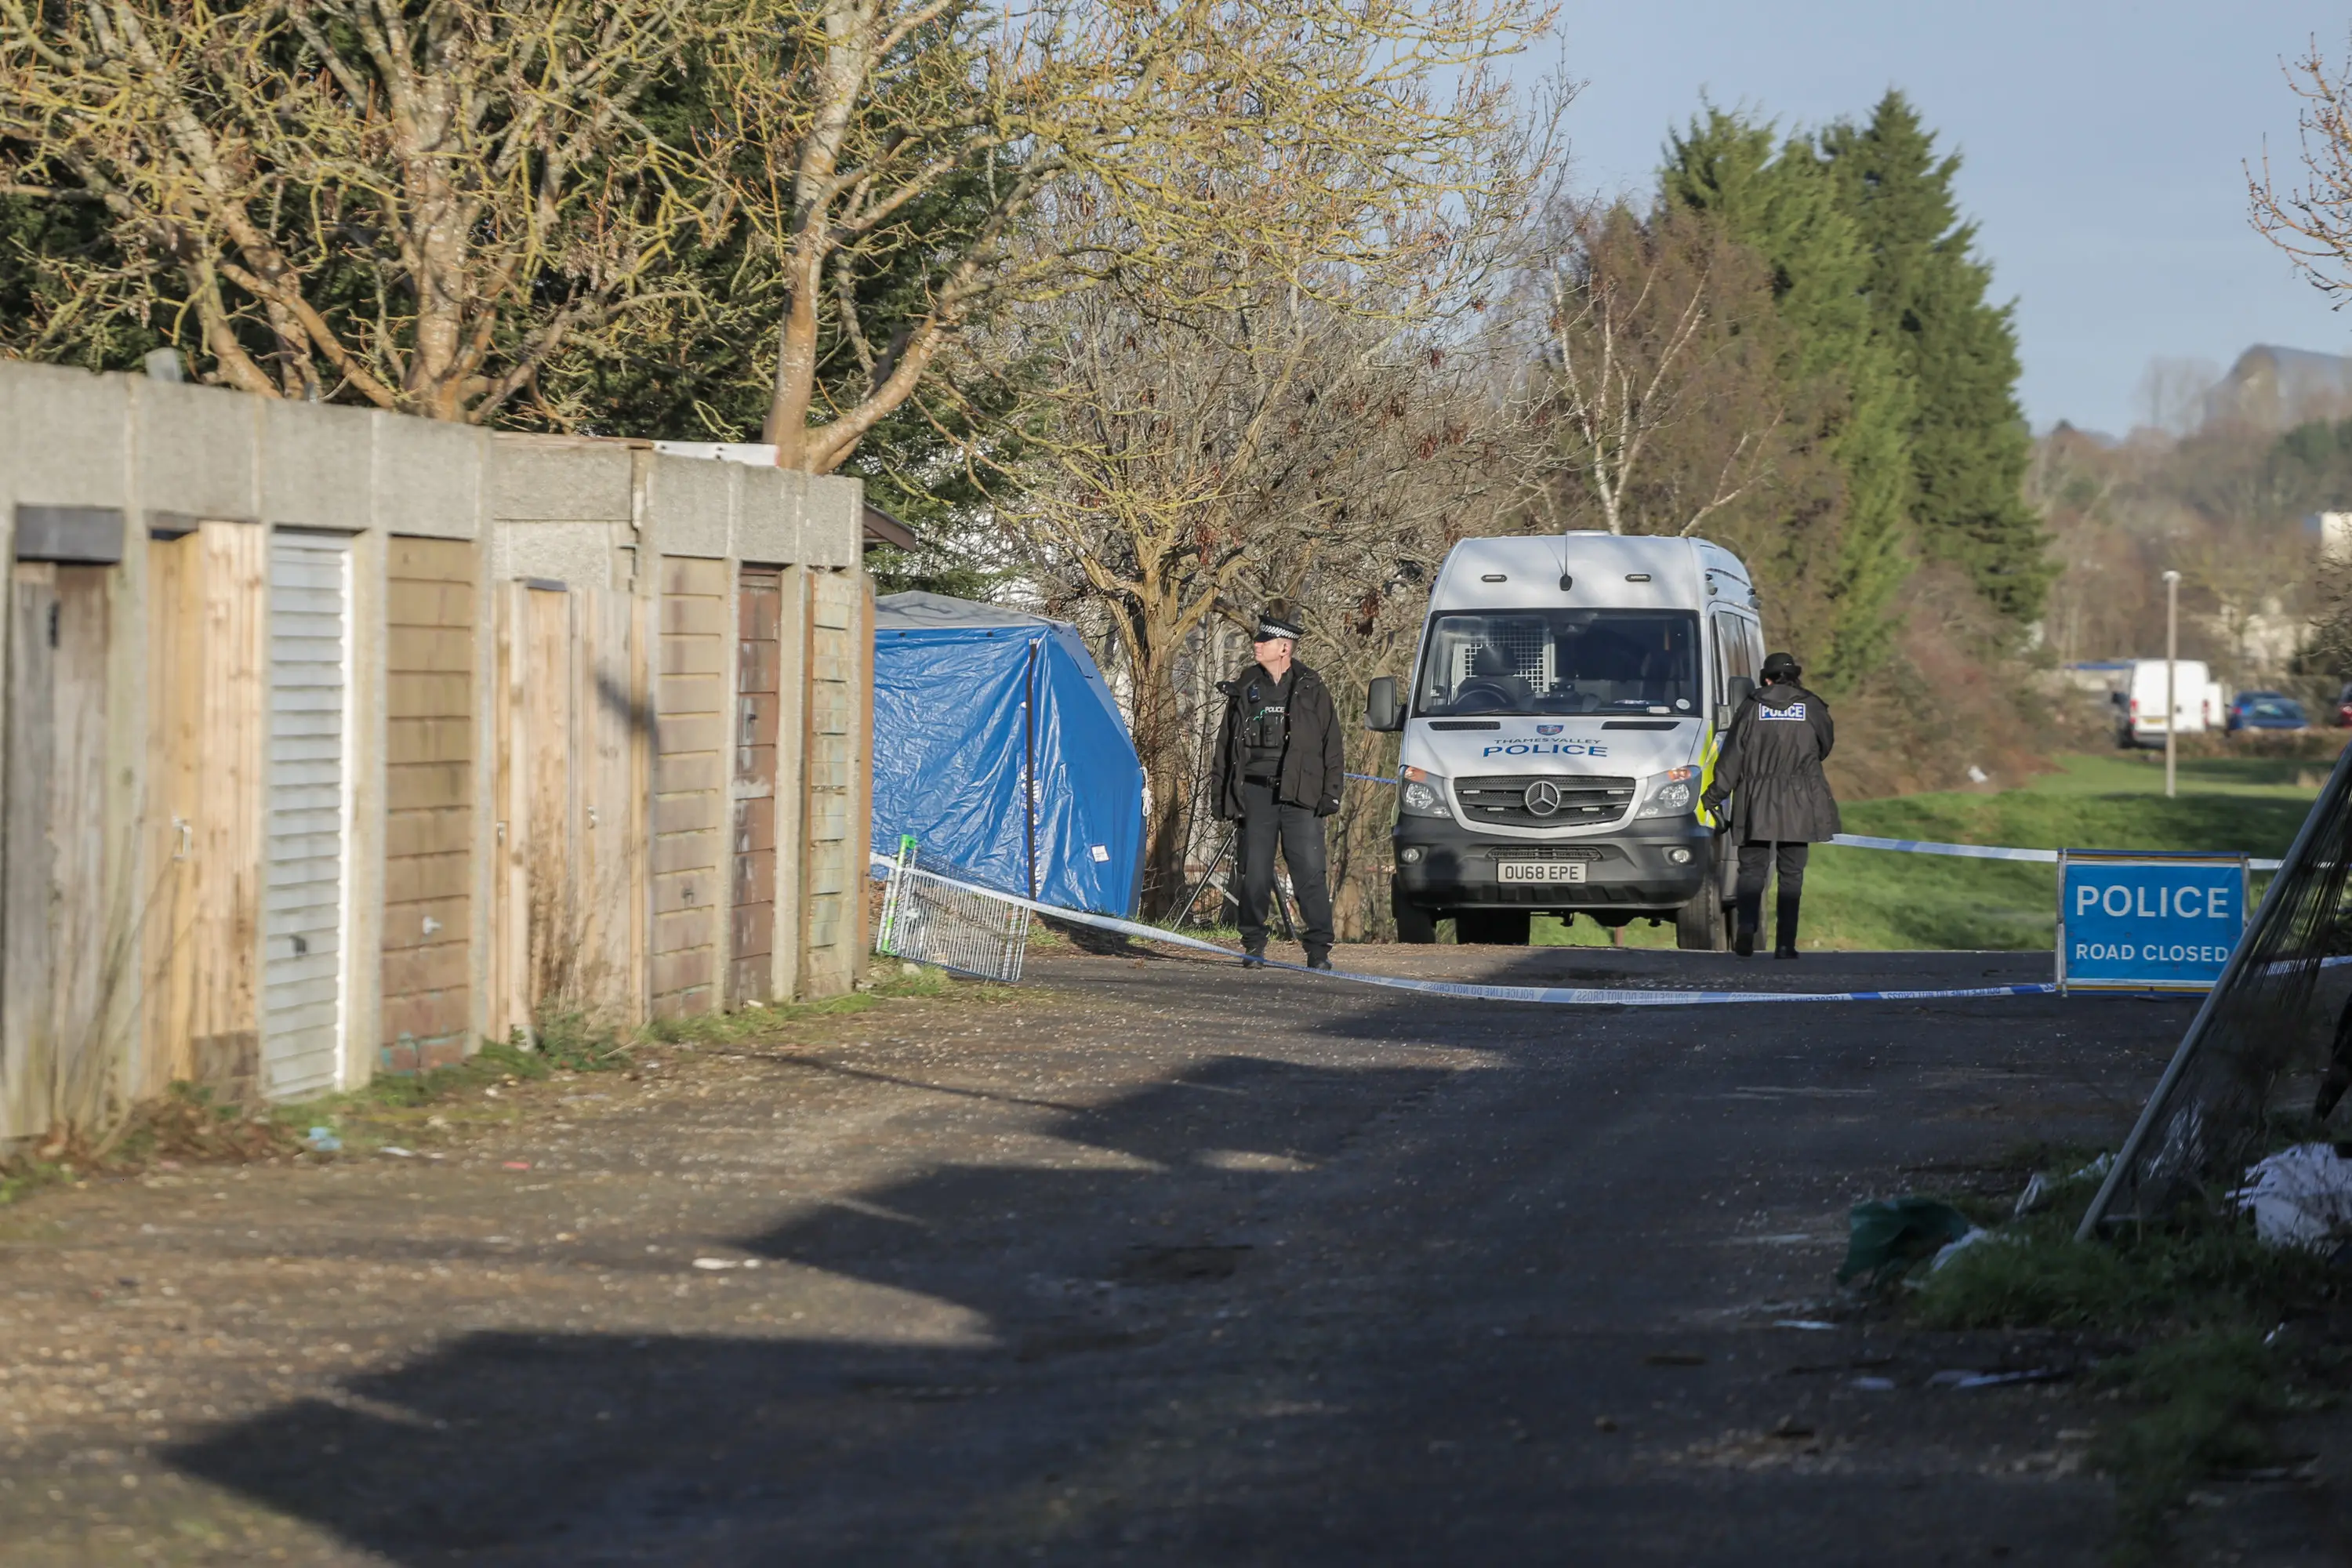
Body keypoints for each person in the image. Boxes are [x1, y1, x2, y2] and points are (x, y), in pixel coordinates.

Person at [1211, 604, 1345, 969]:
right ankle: (1252, 945)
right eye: (1258, 638)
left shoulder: (1311, 687)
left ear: (1284, 647)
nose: (1257, 644)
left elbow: (1331, 744)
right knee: (1253, 872)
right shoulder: (1245, 687)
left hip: (1301, 794)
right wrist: (1221, 796)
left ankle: (1318, 951)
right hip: (1255, 793)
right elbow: (1226, 746)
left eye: (1265, 639)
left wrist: (1331, 792)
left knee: (1309, 874)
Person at [1700, 650, 1841, 959]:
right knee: (1792, 875)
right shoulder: (1812, 706)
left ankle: (1747, 928)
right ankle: (1785, 944)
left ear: (1766, 678)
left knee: (1752, 870)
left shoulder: (1752, 706)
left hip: (1756, 801)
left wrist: (1714, 795)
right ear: (1795, 678)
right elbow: (1825, 746)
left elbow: (1732, 757)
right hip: (1800, 801)